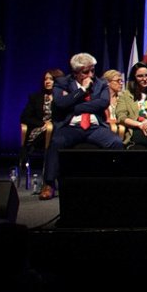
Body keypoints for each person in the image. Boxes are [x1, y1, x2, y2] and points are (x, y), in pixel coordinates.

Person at [41, 53, 125, 200]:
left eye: (92, 70)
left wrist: (73, 106)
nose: (91, 75)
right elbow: (60, 103)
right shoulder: (62, 82)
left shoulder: (101, 84)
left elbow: (103, 103)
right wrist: (82, 91)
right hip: (71, 127)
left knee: (116, 142)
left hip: (94, 127)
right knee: (56, 142)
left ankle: (115, 181)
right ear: (75, 73)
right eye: (86, 72)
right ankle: (49, 184)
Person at [18, 68, 63, 173]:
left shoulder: (64, 97)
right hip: (40, 132)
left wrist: (53, 125)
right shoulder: (36, 97)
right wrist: (44, 124)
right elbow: (24, 117)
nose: (47, 81)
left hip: (58, 131)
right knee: (50, 131)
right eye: (45, 79)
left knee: (57, 135)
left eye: (51, 79)